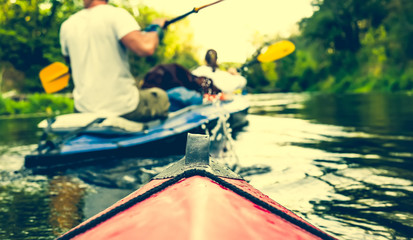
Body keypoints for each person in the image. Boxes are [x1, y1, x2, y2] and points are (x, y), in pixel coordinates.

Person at [59, 0, 170, 122]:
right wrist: (156, 27)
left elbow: (69, 61)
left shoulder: (67, 26)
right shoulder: (117, 15)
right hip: (124, 109)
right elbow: (146, 47)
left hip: (83, 110)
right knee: (161, 96)